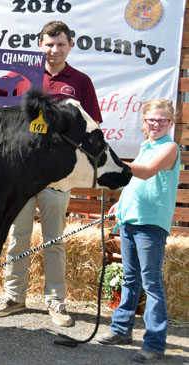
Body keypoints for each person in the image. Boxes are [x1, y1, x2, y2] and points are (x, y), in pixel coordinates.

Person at [0, 20, 102, 326]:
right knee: (17, 236)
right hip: (20, 174)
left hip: (56, 177)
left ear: (70, 46)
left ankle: (56, 302)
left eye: (60, 44)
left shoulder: (80, 81)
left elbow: (92, 126)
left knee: (55, 240)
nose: (54, 50)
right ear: (40, 45)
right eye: (49, 44)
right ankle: (14, 297)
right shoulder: (23, 76)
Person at [97, 99, 178, 363]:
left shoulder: (170, 148)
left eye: (162, 120)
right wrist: (121, 204)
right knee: (130, 278)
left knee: (151, 283)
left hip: (150, 224)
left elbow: (147, 173)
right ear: (143, 122)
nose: (156, 124)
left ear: (171, 123)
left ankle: (154, 343)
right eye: (151, 119)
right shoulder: (146, 146)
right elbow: (135, 184)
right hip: (130, 221)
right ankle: (121, 330)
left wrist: (114, 164)